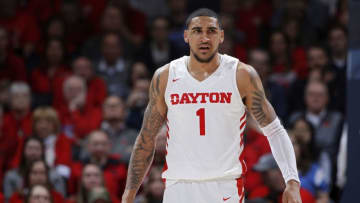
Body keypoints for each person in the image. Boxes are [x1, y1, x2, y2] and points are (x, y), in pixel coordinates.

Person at [122, 8, 301, 203]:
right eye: (197, 31)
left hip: (224, 186)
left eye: (211, 31)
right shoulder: (165, 77)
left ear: (221, 36)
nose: (204, 38)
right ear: (186, 36)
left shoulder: (241, 75)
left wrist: (292, 181)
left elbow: (275, 130)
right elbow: (146, 138)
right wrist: (129, 194)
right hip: (179, 186)